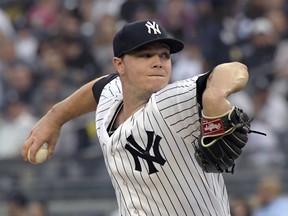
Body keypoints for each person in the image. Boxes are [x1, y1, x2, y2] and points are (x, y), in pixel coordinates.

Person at [23, 20, 250, 216]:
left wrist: (213, 97)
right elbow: (99, 88)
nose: (158, 62)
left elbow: (233, 70)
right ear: (119, 64)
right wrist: (55, 117)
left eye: (164, 55)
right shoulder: (111, 100)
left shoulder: (171, 103)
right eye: (146, 55)